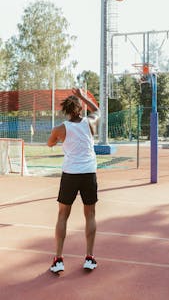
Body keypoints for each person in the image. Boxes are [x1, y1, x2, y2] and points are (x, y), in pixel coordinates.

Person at [47, 88, 100, 273]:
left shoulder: (60, 129)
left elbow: (50, 143)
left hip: (70, 174)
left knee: (63, 215)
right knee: (90, 215)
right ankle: (89, 257)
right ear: (79, 109)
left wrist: (57, 140)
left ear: (66, 110)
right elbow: (98, 110)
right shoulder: (90, 122)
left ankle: (58, 259)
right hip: (88, 173)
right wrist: (82, 96)